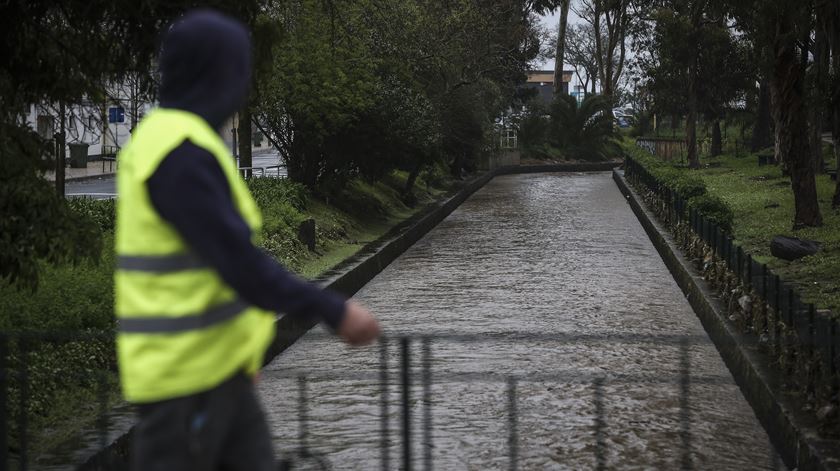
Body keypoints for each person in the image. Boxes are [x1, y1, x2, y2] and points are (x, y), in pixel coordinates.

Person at [113, 9, 380, 470]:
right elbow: (238, 264)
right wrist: (331, 308)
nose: (244, 87)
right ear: (214, 74)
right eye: (239, 71)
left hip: (220, 378)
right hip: (186, 388)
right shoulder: (179, 154)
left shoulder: (180, 140)